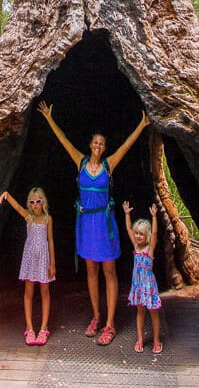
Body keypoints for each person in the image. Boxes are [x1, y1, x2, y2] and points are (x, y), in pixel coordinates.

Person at [38, 100, 149, 346]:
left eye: (102, 144)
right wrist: (49, 119)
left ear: (104, 147)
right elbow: (64, 140)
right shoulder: (80, 162)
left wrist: (142, 125)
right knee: (91, 270)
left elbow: (127, 146)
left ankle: (110, 324)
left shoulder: (109, 165)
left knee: (109, 271)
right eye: (95, 142)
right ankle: (96, 317)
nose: (98, 146)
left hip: (104, 223)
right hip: (86, 223)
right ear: (90, 145)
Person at [0, 186, 56, 346]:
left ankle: (44, 328)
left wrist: (52, 263)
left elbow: (50, 240)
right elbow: (17, 207)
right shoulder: (28, 217)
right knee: (28, 292)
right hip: (30, 258)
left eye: (38, 201)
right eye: (32, 202)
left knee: (45, 292)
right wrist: (7, 195)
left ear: (43, 202)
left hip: (43, 257)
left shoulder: (47, 219)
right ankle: (29, 328)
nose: (35, 205)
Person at [122, 201, 162, 354]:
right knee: (140, 312)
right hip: (138, 285)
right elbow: (128, 229)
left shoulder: (149, 249)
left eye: (141, 234)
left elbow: (155, 234)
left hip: (149, 285)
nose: (138, 236)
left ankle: (157, 340)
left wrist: (154, 217)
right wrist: (127, 214)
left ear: (147, 236)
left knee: (153, 312)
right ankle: (139, 339)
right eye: (137, 233)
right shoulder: (136, 247)